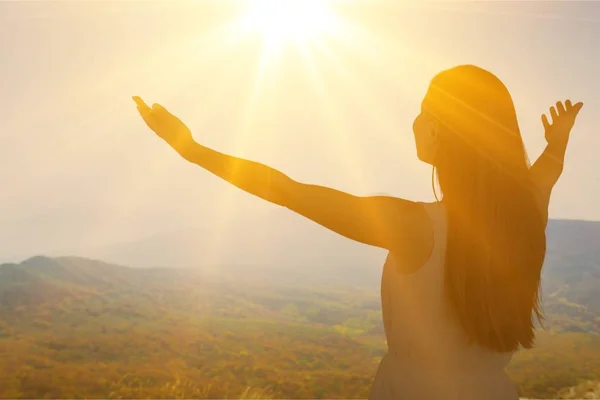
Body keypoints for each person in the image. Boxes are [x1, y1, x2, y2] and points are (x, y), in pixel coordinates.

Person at [132, 64, 583, 400]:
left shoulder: (413, 227)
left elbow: (287, 191)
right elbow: (547, 171)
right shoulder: (525, 211)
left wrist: (191, 150)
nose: (415, 118)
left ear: (440, 129)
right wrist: (557, 141)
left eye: (425, 107)